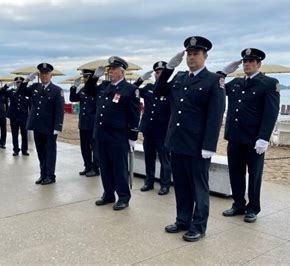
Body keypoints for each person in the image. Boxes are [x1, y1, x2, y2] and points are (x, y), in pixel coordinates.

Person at [157, 36, 226, 242]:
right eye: (189, 53)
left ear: (205, 56)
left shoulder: (214, 80)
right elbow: (159, 90)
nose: (191, 57)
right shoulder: (179, 78)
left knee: (198, 186)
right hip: (177, 141)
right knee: (181, 184)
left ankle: (198, 226)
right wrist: (169, 69)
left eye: (196, 53)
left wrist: (209, 146)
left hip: (197, 145)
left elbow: (215, 116)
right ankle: (182, 220)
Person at [219, 48, 280, 223]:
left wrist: (264, 138)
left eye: (251, 61)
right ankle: (238, 204)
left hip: (254, 140)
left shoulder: (269, 83)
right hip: (235, 137)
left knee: (254, 174)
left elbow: (271, 112)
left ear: (259, 64)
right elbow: (217, 88)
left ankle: (253, 207)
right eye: (245, 61)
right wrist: (223, 73)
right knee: (235, 172)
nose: (247, 64)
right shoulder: (236, 82)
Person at [83, 56, 140, 211]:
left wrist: (133, 136)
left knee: (119, 168)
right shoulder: (104, 86)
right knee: (105, 167)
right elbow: (87, 91)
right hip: (101, 134)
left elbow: (135, 115)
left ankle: (123, 197)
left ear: (122, 72)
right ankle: (108, 194)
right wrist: (95, 77)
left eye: (113, 69)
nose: (110, 71)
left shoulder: (130, 90)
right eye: (109, 69)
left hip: (118, 136)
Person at [17, 63, 64, 185]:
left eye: (46, 73)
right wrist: (26, 80)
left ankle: (50, 175)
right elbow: (20, 92)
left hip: (49, 127)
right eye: (42, 73)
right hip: (37, 125)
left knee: (50, 152)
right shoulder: (35, 87)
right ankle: (43, 174)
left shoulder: (57, 90)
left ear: (51, 75)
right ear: (39, 75)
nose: (44, 76)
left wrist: (58, 127)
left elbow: (59, 110)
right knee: (41, 151)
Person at [133, 61, 173, 195]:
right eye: (157, 72)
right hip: (148, 130)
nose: (159, 74)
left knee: (164, 159)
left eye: (161, 71)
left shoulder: (170, 89)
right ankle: (149, 181)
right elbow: (131, 91)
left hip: (163, 131)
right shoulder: (149, 87)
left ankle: (165, 184)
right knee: (149, 157)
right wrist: (140, 80)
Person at [69, 69, 99, 177]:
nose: (85, 79)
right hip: (83, 123)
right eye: (84, 77)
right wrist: (73, 87)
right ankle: (88, 166)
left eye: (87, 76)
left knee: (95, 147)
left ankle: (95, 168)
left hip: (93, 123)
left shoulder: (96, 89)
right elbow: (73, 98)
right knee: (84, 147)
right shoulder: (82, 89)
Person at [2, 77, 30, 156]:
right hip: (14, 116)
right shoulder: (11, 91)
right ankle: (16, 150)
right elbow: (2, 92)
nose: (19, 84)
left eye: (20, 82)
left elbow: (31, 105)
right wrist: (7, 85)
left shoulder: (27, 92)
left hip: (24, 117)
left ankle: (24, 150)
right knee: (15, 134)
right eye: (17, 82)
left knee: (24, 134)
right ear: (15, 83)